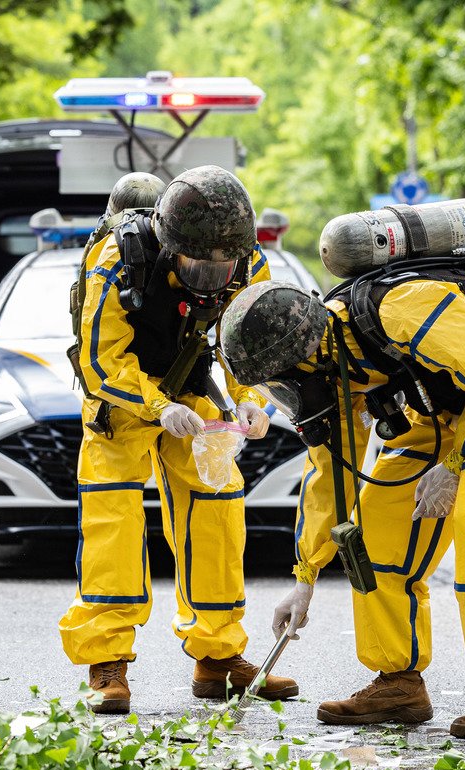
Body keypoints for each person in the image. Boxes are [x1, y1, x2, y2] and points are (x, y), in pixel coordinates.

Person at [218, 250, 465, 739]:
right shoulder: (333, 366)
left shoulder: (401, 309)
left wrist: (452, 467)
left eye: (283, 380)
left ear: (307, 351)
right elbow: (331, 475)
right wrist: (305, 574)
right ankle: (398, 681)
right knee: (371, 534)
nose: (286, 393)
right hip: (450, 402)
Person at [57, 164, 298, 715]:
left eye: (224, 266)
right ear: (171, 247)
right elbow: (100, 360)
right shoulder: (118, 261)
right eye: (199, 267)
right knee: (112, 522)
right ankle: (107, 663)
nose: (214, 276)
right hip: (121, 397)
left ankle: (217, 660)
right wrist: (157, 407)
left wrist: (249, 400)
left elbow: (249, 338)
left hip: (190, 389)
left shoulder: (247, 260)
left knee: (216, 513)